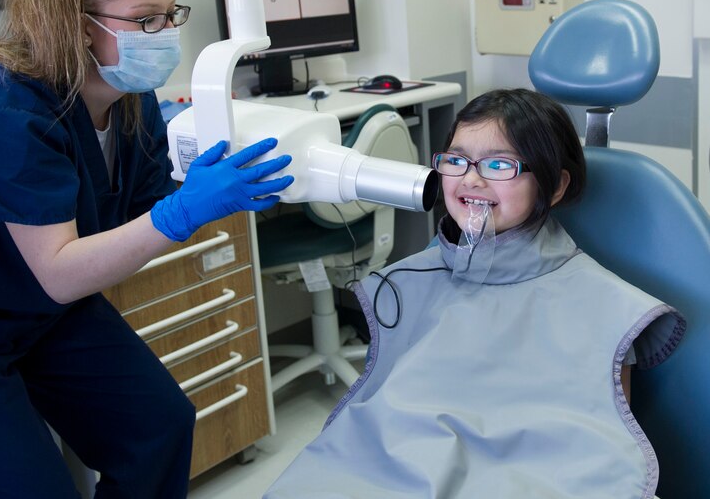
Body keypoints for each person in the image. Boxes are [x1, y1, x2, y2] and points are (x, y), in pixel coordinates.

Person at [0, 0, 293, 498]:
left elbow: (133, 209)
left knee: (158, 429)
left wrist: (194, 194)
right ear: (78, 24)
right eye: (145, 19)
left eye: (170, 16)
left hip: (40, 311)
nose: (164, 34)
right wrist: (182, 212)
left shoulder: (128, 100)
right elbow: (60, 270)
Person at [263, 89, 686, 499]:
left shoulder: (606, 306)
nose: (470, 179)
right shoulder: (411, 282)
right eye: (457, 160)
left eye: (499, 165)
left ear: (555, 186)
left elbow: (601, 450)